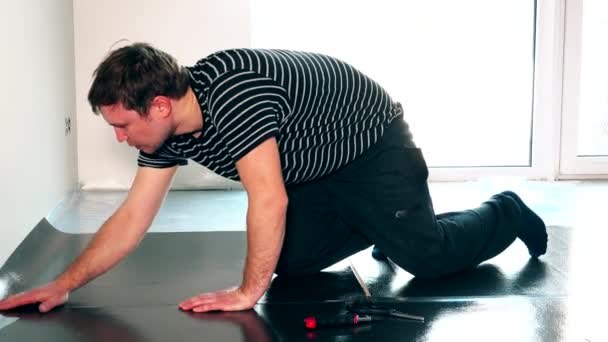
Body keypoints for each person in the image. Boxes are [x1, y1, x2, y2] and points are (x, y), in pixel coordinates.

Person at [0, 43, 548, 314]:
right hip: (311, 162)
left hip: (370, 147)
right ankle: (390, 227)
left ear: (159, 105)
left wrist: (246, 293)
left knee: (425, 259)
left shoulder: (234, 98)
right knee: (290, 262)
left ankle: (505, 210)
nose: (119, 138)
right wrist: (65, 282)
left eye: (123, 125)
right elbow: (132, 218)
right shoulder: (172, 130)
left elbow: (268, 200)